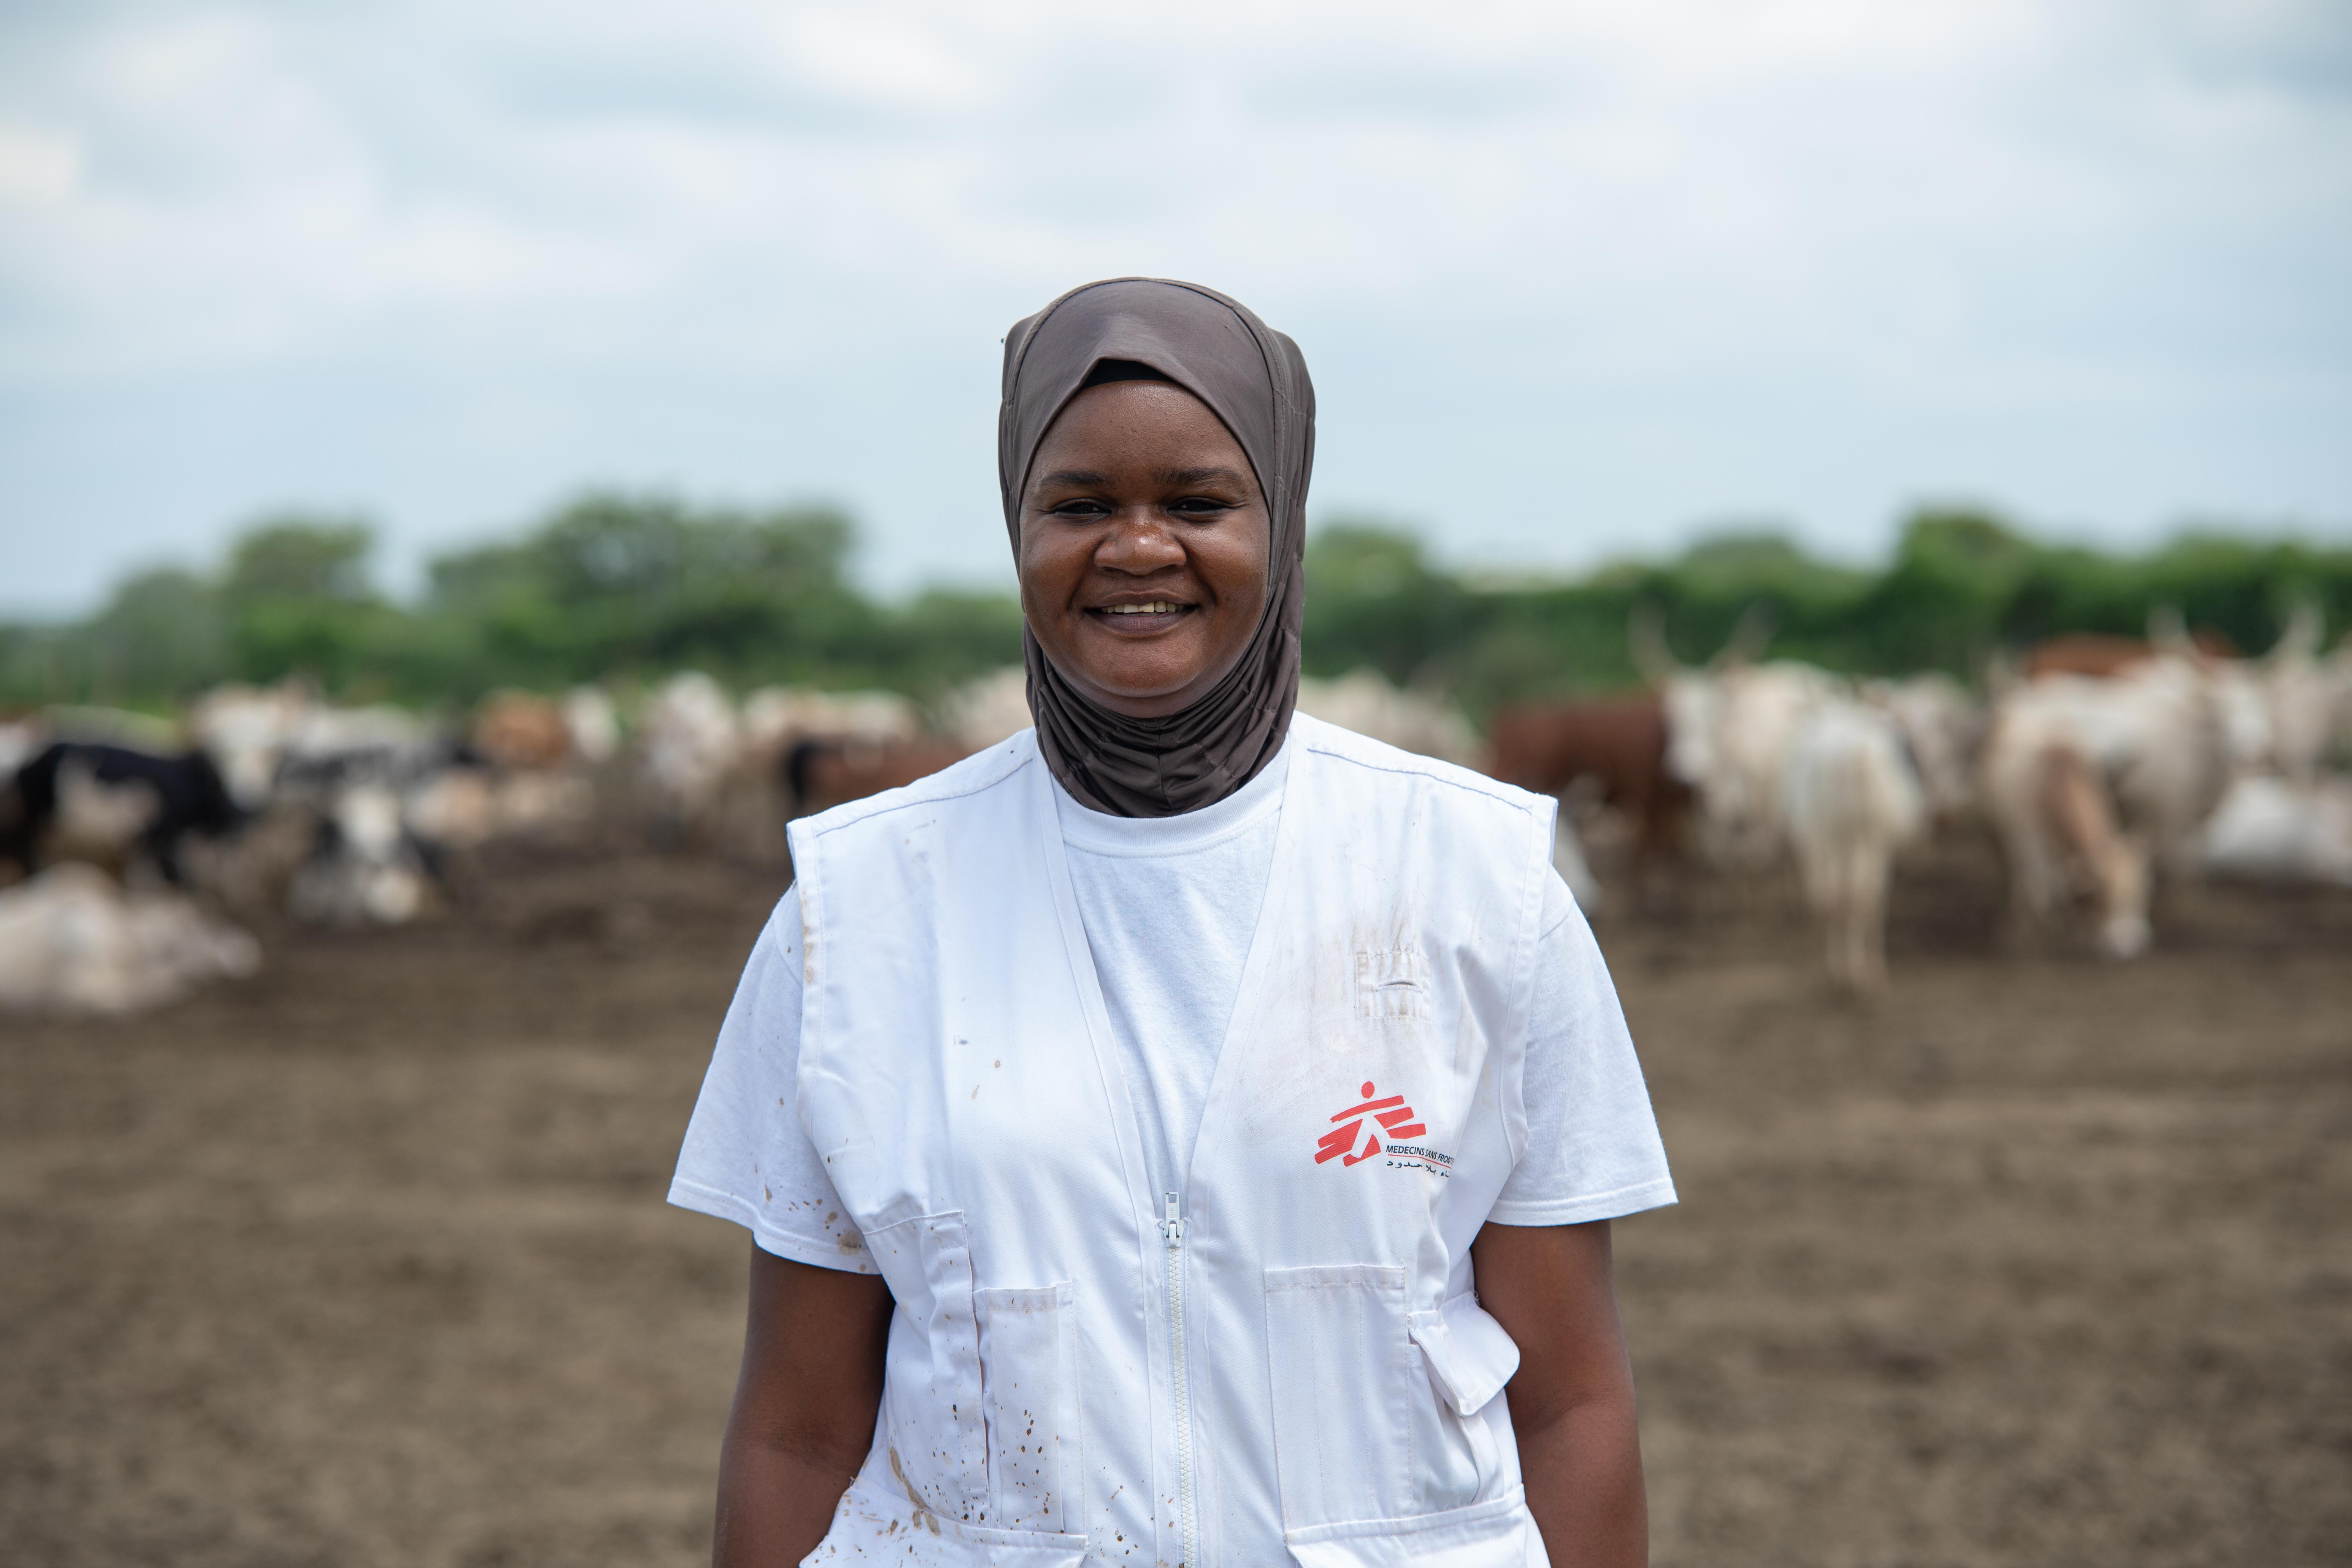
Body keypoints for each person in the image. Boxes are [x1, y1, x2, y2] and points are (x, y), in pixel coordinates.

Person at [670, 278, 1675, 1568]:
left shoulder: (1476, 881)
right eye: (1078, 506)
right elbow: (796, 1435)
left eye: (1199, 503)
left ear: (1284, 523)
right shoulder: (860, 910)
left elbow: (1573, 1402)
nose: (1138, 548)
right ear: (1015, 530)